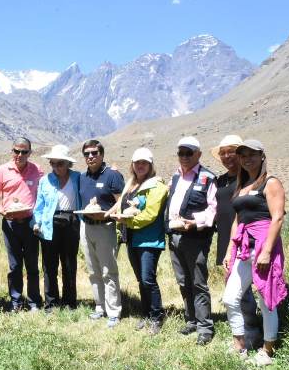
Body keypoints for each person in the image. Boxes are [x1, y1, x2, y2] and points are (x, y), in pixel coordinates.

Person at [223, 139, 287, 366]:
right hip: (243, 249)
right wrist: (230, 250)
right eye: (243, 155)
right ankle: (240, 344)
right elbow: (237, 221)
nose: (247, 159)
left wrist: (267, 251)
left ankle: (267, 350)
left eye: (252, 154)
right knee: (230, 298)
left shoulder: (271, 183)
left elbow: (277, 218)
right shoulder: (243, 186)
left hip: (263, 247)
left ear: (262, 156)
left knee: (266, 299)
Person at [108, 148, 167, 334]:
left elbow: (150, 214)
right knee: (141, 280)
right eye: (137, 162)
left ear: (150, 165)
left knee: (148, 279)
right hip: (132, 238)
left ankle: (157, 316)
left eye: (144, 163)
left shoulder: (157, 186)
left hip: (149, 239)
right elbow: (121, 206)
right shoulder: (131, 184)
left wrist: (126, 221)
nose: (140, 166)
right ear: (132, 165)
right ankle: (146, 313)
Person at [165, 136, 217, 345]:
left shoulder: (208, 178)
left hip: (195, 237)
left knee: (198, 282)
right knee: (183, 281)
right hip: (175, 235)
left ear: (199, 154)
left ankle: (205, 327)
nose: (184, 157)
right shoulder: (176, 177)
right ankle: (191, 320)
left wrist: (195, 222)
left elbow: (213, 209)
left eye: (189, 153)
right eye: (181, 153)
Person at [212, 135, 260, 348]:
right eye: (223, 153)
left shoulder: (248, 178)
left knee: (243, 289)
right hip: (226, 236)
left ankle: (252, 332)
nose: (227, 156)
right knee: (233, 286)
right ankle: (241, 333)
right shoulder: (220, 180)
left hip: (246, 238)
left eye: (231, 152)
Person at [0, 138, 44, 312]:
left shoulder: (37, 170)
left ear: (30, 152)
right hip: (10, 223)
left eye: (24, 152)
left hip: (31, 224)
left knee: (32, 265)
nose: (19, 155)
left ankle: (34, 301)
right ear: (12, 150)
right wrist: (1, 210)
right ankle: (16, 301)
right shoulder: (3, 170)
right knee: (14, 265)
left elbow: (43, 193)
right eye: (16, 151)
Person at [79, 139, 125, 328]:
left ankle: (113, 311)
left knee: (108, 271)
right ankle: (100, 307)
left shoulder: (112, 175)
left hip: (105, 227)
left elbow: (121, 200)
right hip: (86, 226)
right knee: (93, 270)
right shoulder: (82, 177)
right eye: (87, 154)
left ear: (102, 154)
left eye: (94, 153)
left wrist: (109, 214)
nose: (90, 156)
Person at [32, 145, 81, 312]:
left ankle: (69, 303)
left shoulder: (78, 177)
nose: (56, 167)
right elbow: (39, 206)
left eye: (60, 163)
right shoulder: (44, 180)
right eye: (52, 163)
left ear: (68, 163)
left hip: (71, 221)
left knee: (69, 264)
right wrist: (37, 223)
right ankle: (51, 303)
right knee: (49, 265)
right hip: (49, 223)